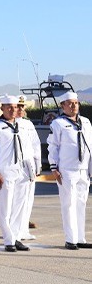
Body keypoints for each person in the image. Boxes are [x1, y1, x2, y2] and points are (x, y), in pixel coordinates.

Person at [0, 95, 36, 253]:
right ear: (1, 108)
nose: (12, 109)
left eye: (15, 107)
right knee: (6, 207)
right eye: (9, 106)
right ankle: (8, 240)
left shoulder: (22, 126)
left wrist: (31, 168)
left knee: (19, 207)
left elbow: (28, 148)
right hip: (6, 171)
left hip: (22, 171)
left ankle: (15, 237)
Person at [46, 91, 92, 250]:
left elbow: (90, 146)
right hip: (67, 170)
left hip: (84, 170)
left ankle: (80, 238)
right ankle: (70, 239)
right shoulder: (58, 124)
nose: (74, 106)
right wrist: (54, 167)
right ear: (63, 105)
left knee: (81, 204)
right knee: (69, 204)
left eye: (76, 103)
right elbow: (53, 146)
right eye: (70, 103)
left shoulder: (86, 122)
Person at [16, 95, 41, 237]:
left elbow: (35, 145)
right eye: (18, 106)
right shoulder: (7, 123)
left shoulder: (28, 124)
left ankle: (24, 229)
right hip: (15, 166)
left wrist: (38, 164)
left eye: (22, 106)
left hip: (29, 166)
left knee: (28, 198)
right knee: (17, 199)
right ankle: (15, 230)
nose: (20, 109)